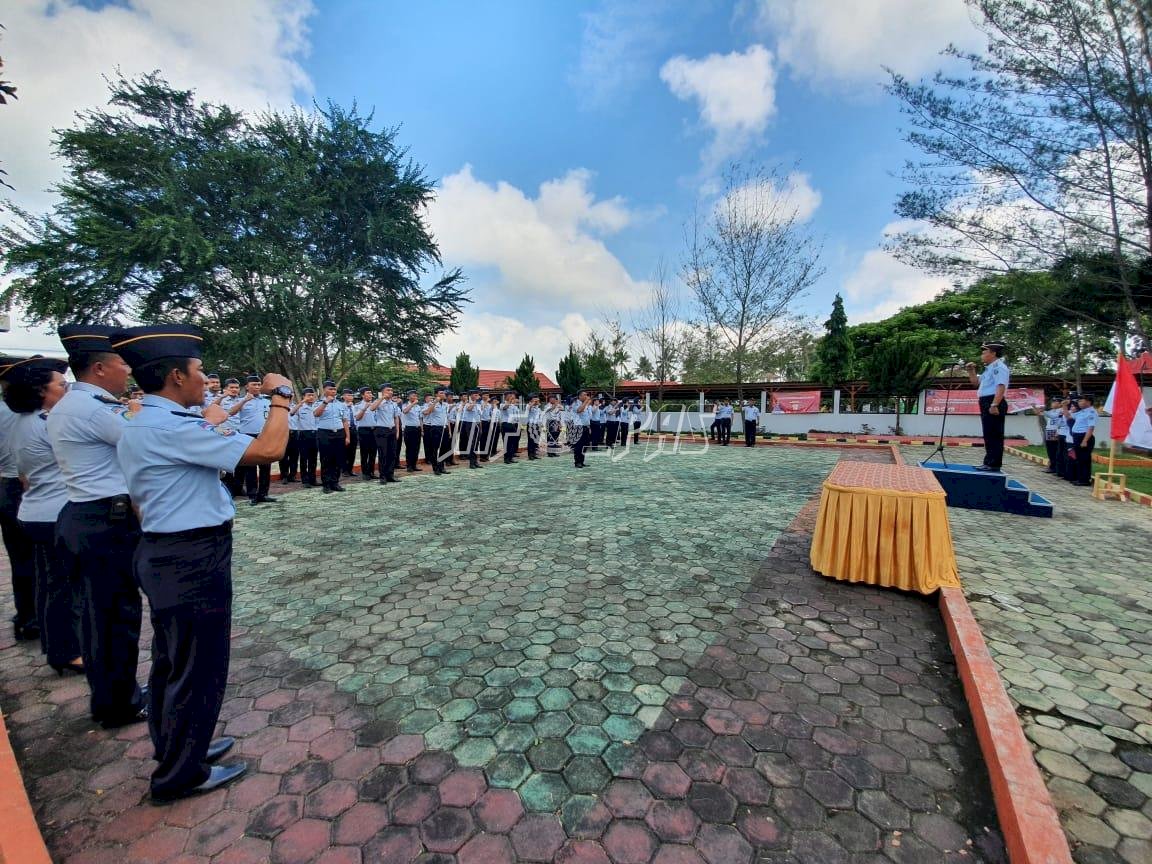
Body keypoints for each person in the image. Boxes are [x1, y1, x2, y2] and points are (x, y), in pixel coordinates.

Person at [110, 323, 290, 802]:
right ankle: (179, 775)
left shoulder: (148, 420)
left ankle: (179, 749)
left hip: (166, 550)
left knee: (172, 661)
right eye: (199, 371)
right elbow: (270, 449)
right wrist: (282, 398)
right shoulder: (171, 427)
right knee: (197, 665)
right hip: (190, 555)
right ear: (175, 376)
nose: (206, 379)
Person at [49, 325, 148, 727]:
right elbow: (143, 441)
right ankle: (117, 704)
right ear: (100, 368)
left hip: (88, 515)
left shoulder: (77, 405)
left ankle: (114, 694)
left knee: (102, 614)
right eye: (122, 362)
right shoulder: (93, 408)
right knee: (113, 617)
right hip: (105, 520)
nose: (127, 370)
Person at [3, 356, 84, 676]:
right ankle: (69, 651)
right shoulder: (47, 423)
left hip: (34, 508)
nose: (66, 390)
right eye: (61, 385)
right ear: (41, 391)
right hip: (55, 511)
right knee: (66, 587)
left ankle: (55, 645)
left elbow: (23, 476)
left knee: (49, 583)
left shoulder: (20, 422)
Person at [0, 357, 38, 642]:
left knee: (20, 559)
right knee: (36, 560)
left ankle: (26, 617)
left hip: (7, 485)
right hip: (23, 486)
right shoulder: (22, 414)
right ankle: (34, 618)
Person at [231, 375, 276, 505]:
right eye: (254, 385)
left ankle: (263, 493)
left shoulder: (266, 400)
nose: (257, 387)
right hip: (248, 435)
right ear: (247, 387)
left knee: (265, 466)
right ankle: (252, 494)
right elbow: (231, 412)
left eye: (258, 385)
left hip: (264, 435)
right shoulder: (240, 400)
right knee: (251, 467)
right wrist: (244, 400)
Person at [966, 341, 1010, 472]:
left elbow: (1001, 386)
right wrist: (971, 371)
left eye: (984, 352)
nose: (982, 355)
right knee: (988, 434)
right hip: (986, 401)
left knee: (995, 434)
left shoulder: (999, 367)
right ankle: (988, 462)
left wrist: (995, 404)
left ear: (993, 353)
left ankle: (994, 464)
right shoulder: (989, 368)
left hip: (993, 401)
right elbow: (976, 383)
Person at [314, 380, 349, 493]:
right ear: (324, 390)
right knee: (326, 460)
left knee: (338, 459)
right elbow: (316, 414)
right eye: (330, 389)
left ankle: (335, 483)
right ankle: (326, 484)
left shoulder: (341, 404)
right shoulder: (318, 402)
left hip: (339, 433)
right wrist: (325, 402)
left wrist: (347, 436)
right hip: (325, 433)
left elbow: (345, 421)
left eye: (334, 389)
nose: (333, 391)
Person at [370, 383, 401, 483]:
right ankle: (382, 476)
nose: (391, 392)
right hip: (381, 430)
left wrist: (397, 431)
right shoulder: (379, 402)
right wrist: (381, 398)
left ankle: (390, 475)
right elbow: (372, 408)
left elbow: (396, 418)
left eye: (391, 390)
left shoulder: (394, 404)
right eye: (388, 390)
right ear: (382, 392)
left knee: (392, 454)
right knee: (383, 453)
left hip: (392, 430)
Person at [1069, 394, 1098, 487]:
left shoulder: (1091, 412)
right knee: (1080, 459)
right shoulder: (1082, 412)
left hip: (1084, 437)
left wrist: (1085, 440)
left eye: (1081, 400)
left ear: (1088, 402)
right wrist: (1065, 406)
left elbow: (1091, 427)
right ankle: (1080, 478)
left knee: (1084, 459)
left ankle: (1085, 480)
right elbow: (1069, 416)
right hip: (1077, 437)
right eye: (1079, 401)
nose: (1079, 402)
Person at [293, 387, 319, 486]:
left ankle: (313, 479)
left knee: (313, 458)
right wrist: (302, 402)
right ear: (303, 396)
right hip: (304, 434)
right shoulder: (300, 407)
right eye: (309, 395)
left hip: (315, 434)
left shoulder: (317, 406)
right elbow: (291, 413)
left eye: (312, 395)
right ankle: (305, 480)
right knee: (304, 458)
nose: (311, 397)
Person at [422, 388, 450, 475]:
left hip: (444, 428)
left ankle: (441, 466)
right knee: (435, 448)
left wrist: (449, 430)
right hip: (435, 428)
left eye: (444, 392)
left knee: (444, 448)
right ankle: (435, 468)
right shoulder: (430, 404)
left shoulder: (446, 405)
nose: (444, 394)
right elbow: (426, 412)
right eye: (441, 393)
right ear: (436, 395)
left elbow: (447, 418)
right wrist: (435, 402)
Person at [354, 387, 378, 480]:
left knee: (373, 452)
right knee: (364, 452)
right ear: (362, 395)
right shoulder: (358, 405)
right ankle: (365, 473)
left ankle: (371, 472)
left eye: (371, 393)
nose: (370, 395)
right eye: (368, 393)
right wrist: (364, 408)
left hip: (374, 430)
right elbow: (357, 418)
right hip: (364, 430)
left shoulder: (375, 405)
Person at [1040, 396, 1066, 476]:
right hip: (1049, 430)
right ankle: (1052, 466)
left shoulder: (1061, 410)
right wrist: (1034, 406)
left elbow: (1052, 416)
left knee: (1054, 450)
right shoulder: (1051, 410)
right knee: (1050, 450)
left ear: (1059, 403)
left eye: (1054, 402)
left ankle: (1054, 467)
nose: (1052, 404)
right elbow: (1039, 412)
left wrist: (1044, 410)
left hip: (1055, 431)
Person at [401, 389, 423, 471]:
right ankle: (409, 465)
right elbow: (405, 411)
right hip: (409, 429)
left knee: (416, 447)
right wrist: (413, 404)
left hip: (417, 429)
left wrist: (422, 430)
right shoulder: (405, 405)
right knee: (409, 448)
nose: (415, 397)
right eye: (413, 395)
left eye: (416, 396)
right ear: (409, 396)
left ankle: (414, 465)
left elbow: (420, 419)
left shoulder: (418, 407)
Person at [459, 389, 482, 469]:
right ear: (471, 396)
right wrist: (474, 402)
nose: (477, 396)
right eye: (475, 395)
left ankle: (475, 461)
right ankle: (471, 463)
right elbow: (469, 409)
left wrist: (480, 427)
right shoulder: (467, 403)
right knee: (472, 443)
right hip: (470, 424)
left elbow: (479, 416)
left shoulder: (478, 405)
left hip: (477, 424)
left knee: (476, 444)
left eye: (477, 395)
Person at [570, 390, 592, 468]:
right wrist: (586, 402)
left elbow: (587, 417)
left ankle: (582, 461)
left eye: (586, 395)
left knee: (585, 445)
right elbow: (579, 410)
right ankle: (577, 462)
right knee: (579, 445)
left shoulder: (586, 404)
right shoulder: (575, 403)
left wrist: (588, 427)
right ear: (579, 396)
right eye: (584, 395)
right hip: (578, 427)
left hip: (586, 427)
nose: (586, 396)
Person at [341, 389, 358, 476]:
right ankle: (344, 470)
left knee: (353, 450)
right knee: (345, 450)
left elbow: (355, 418)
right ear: (343, 396)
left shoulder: (353, 406)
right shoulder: (341, 406)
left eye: (351, 395)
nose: (350, 397)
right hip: (344, 430)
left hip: (353, 429)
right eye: (348, 395)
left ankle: (350, 469)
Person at [501, 391, 521, 464]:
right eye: (509, 396)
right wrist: (509, 400)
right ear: (505, 397)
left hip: (512, 425)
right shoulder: (502, 404)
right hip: (506, 424)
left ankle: (511, 457)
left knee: (512, 442)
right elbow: (505, 407)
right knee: (506, 442)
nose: (511, 397)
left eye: (511, 396)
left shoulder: (513, 406)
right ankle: (506, 459)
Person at [526, 394, 543, 460]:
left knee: (536, 440)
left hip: (537, 425)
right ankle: (530, 455)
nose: (536, 399)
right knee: (531, 440)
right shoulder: (528, 405)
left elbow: (539, 417)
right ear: (531, 399)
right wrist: (533, 403)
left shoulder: (538, 408)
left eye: (537, 398)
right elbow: (529, 409)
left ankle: (534, 453)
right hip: (531, 425)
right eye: (534, 398)